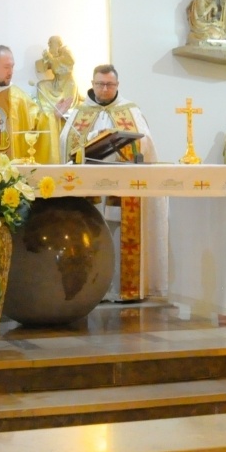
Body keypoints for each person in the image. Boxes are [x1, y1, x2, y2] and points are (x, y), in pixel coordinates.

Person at [59, 64, 166, 301]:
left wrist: (120, 141)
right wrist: (90, 139)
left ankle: (120, 288)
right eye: (100, 84)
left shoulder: (130, 110)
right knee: (91, 234)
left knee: (118, 236)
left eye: (109, 84)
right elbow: (66, 141)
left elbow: (146, 143)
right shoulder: (80, 112)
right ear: (92, 84)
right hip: (89, 189)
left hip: (121, 189)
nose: (105, 89)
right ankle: (90, 290)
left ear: (117, 85)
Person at [0, 44, 61, 161]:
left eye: (12, 67)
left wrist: (53, 116)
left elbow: (38, 125)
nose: (11, 72)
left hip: (14, 170)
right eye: (6, 67)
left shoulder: (18, 97)